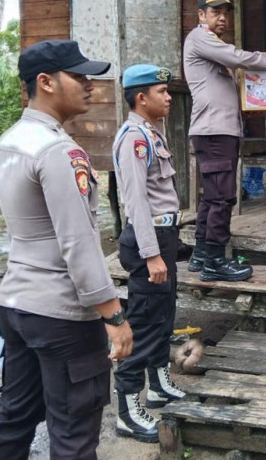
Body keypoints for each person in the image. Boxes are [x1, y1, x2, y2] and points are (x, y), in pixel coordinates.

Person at [0, 40, 133, 460]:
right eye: (79, 76)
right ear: (45, 82)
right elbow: (78, 244)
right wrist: (114, 316)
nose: (91, 85)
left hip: (15, 304)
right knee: (73, 431)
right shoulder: (59, 151)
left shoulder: (11, 140)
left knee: (13, 416)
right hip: (61, 314)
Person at [183, 0, 266, 281]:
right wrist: (263, 58)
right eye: (216, 12)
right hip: (214, 132)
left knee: (212, 196)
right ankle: (215, 261)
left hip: (218, 131)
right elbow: (235, 56)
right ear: (201, 15)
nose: (223, 18)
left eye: (226, 13)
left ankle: (202, 255)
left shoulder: (211, 45)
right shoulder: (201, 38)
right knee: (222, 197)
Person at [111, 64, 186, 442]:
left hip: (162, 236)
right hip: (148, 241)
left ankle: (157, 385)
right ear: (141, 98)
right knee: (141, 322)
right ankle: (127, 407)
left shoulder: (152, 133)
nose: (169, 96)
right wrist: (152, 254)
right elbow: (137, 202)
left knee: (162, 315)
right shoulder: (134, 138)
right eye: (162, 90)